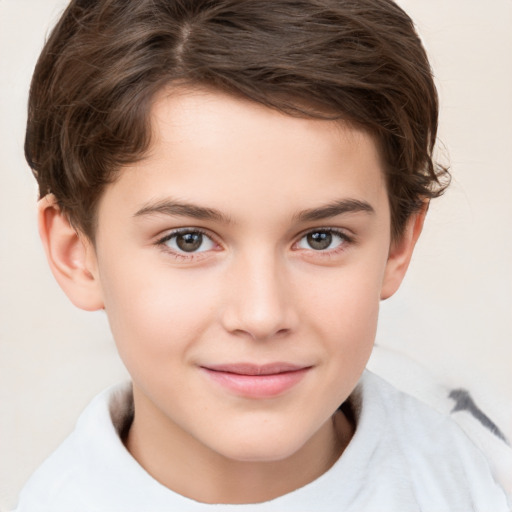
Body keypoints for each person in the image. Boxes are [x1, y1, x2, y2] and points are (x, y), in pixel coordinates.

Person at [13, 0, 510, 510]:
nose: (262, 315)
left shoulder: (476, 480)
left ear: (399, 243)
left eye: (321, 238)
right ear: (77, 254)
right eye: (188, 239)